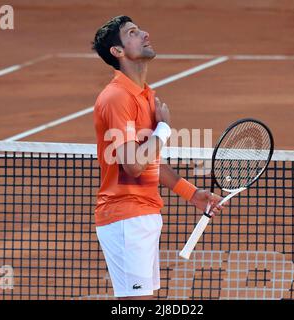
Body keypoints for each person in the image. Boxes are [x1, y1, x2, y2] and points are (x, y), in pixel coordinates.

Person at [92, 15, 223, 300]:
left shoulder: (146, 96)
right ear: (118, 51)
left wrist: (193, 194)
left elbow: (150, 163)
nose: (145, 34)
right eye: (133, 33)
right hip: (126, 218)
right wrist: (163, 129)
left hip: (144, 216)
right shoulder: (117, 97)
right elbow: (134, 165)